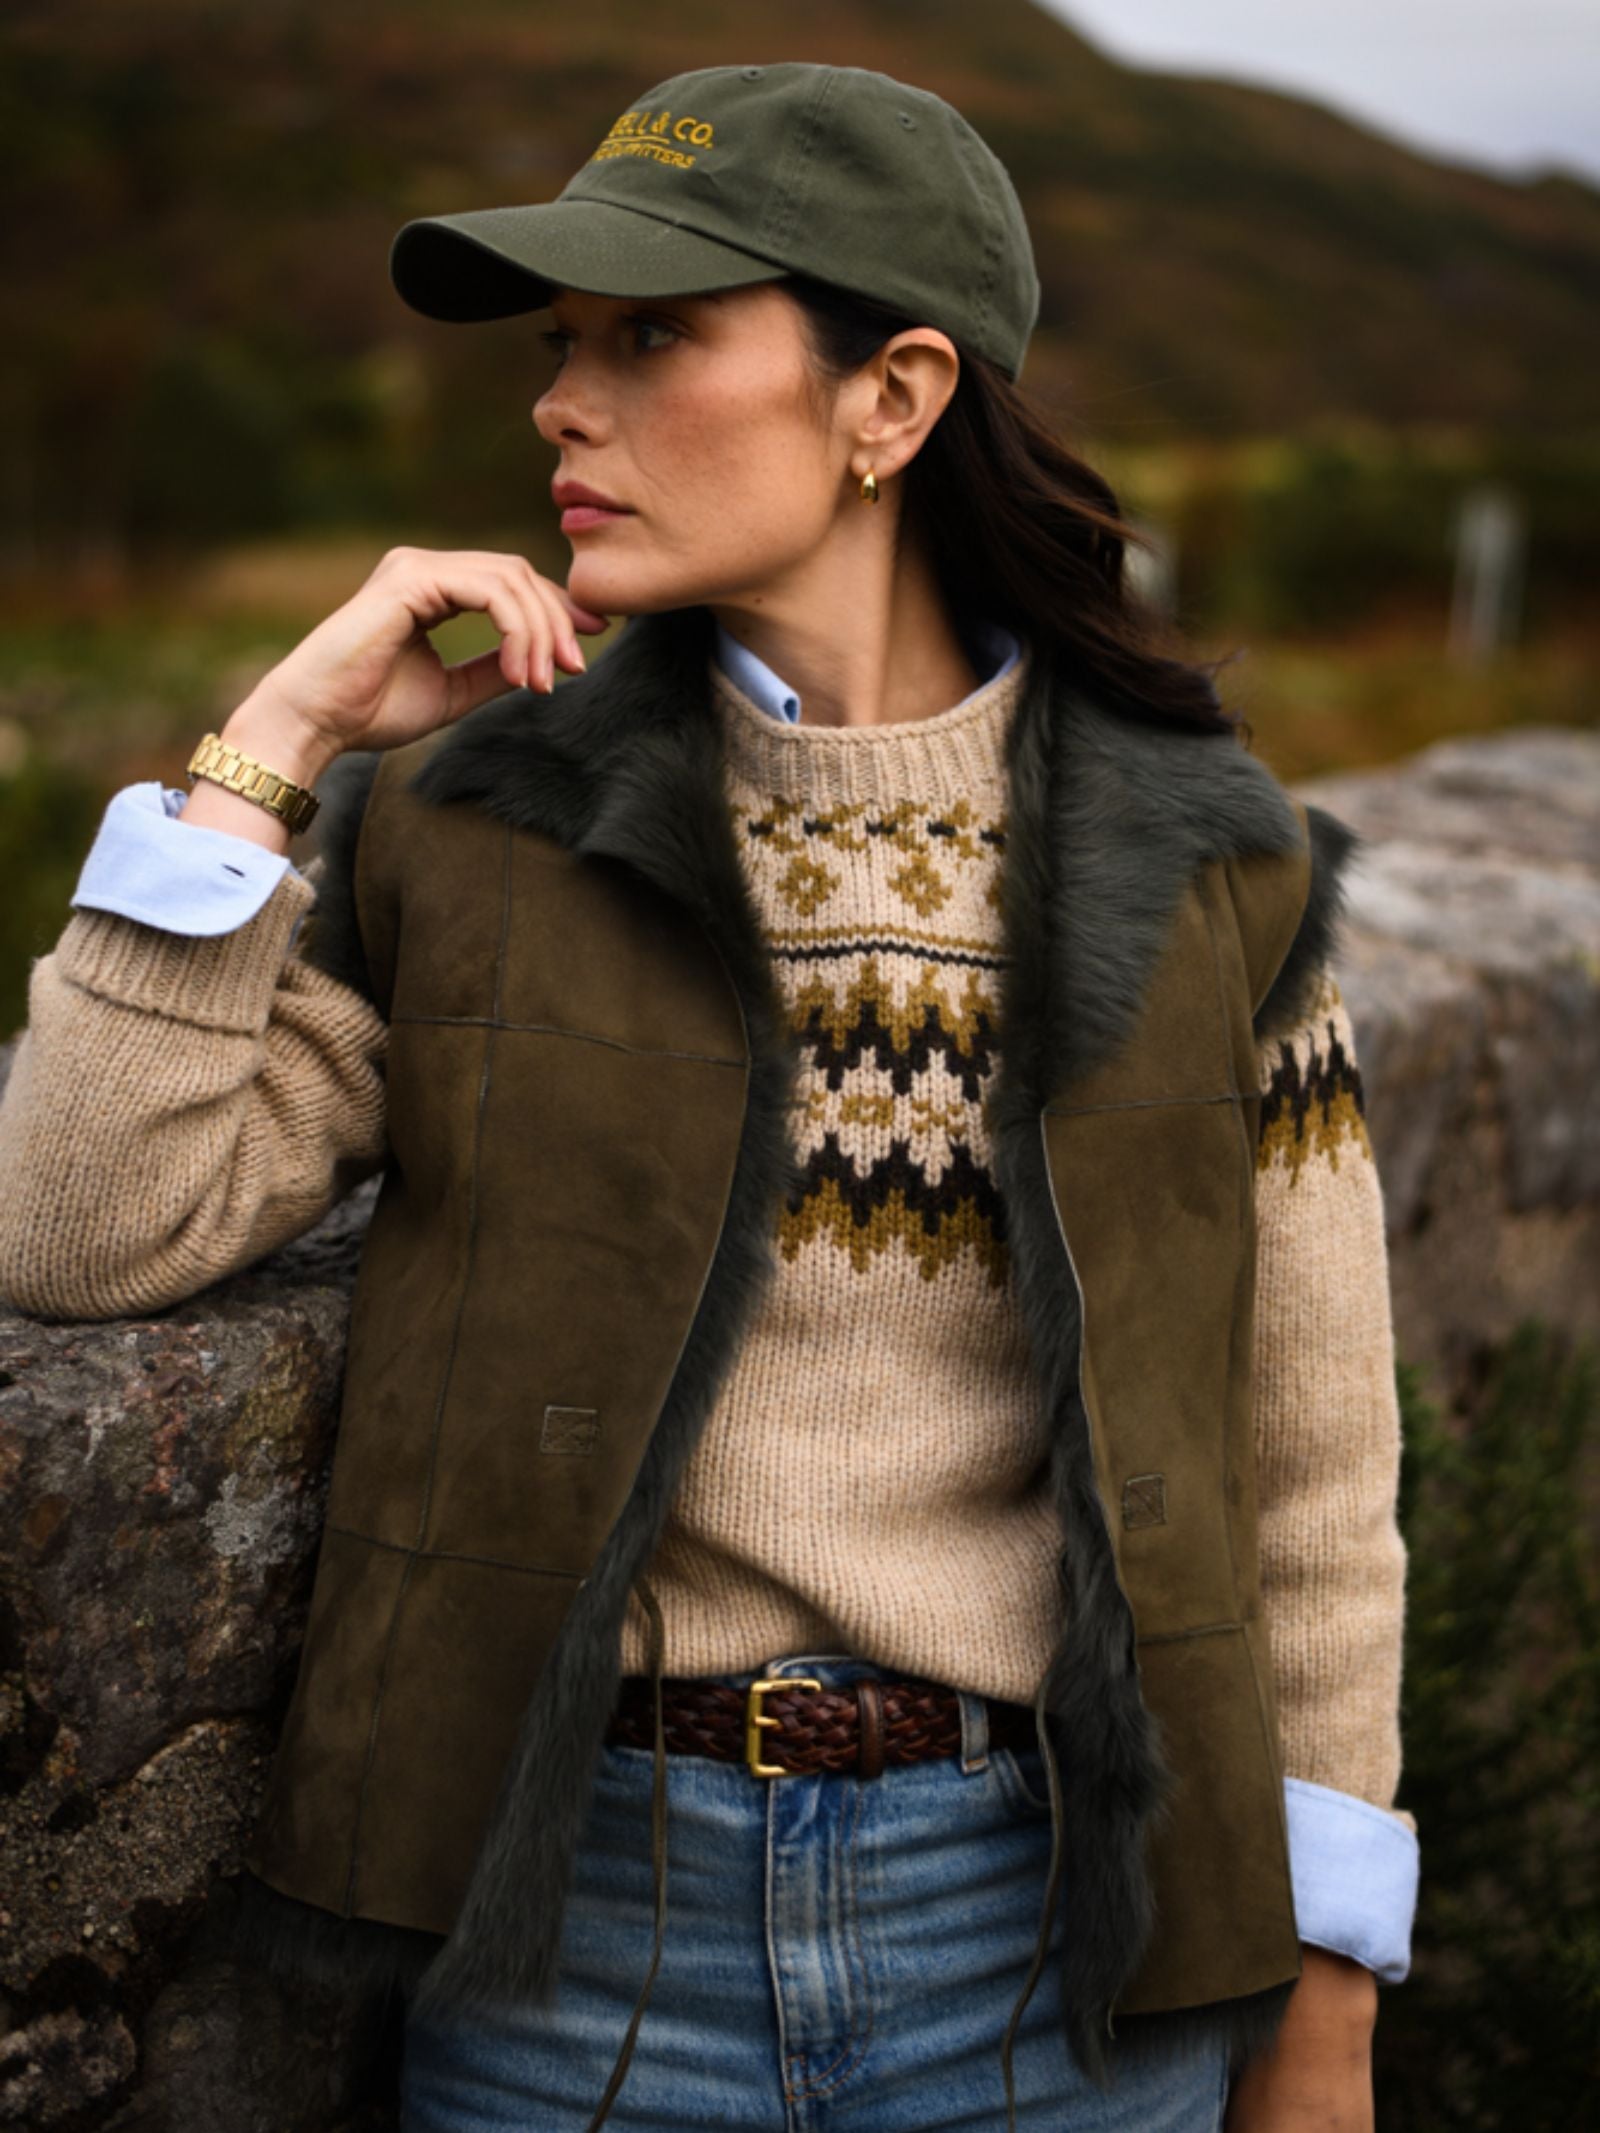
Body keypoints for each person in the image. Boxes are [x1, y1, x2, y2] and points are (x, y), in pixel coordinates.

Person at [0, 60, 1418, 2133]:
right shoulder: (474, 824)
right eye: (562, 347)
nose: (563, 406)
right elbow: (76, 1225)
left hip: (1055, 1950)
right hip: (574, 1936)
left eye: (652, 335)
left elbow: (1311, 1475)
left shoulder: (1209, 867)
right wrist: (272, 744)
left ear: (892, 398)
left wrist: (1326, 1996)